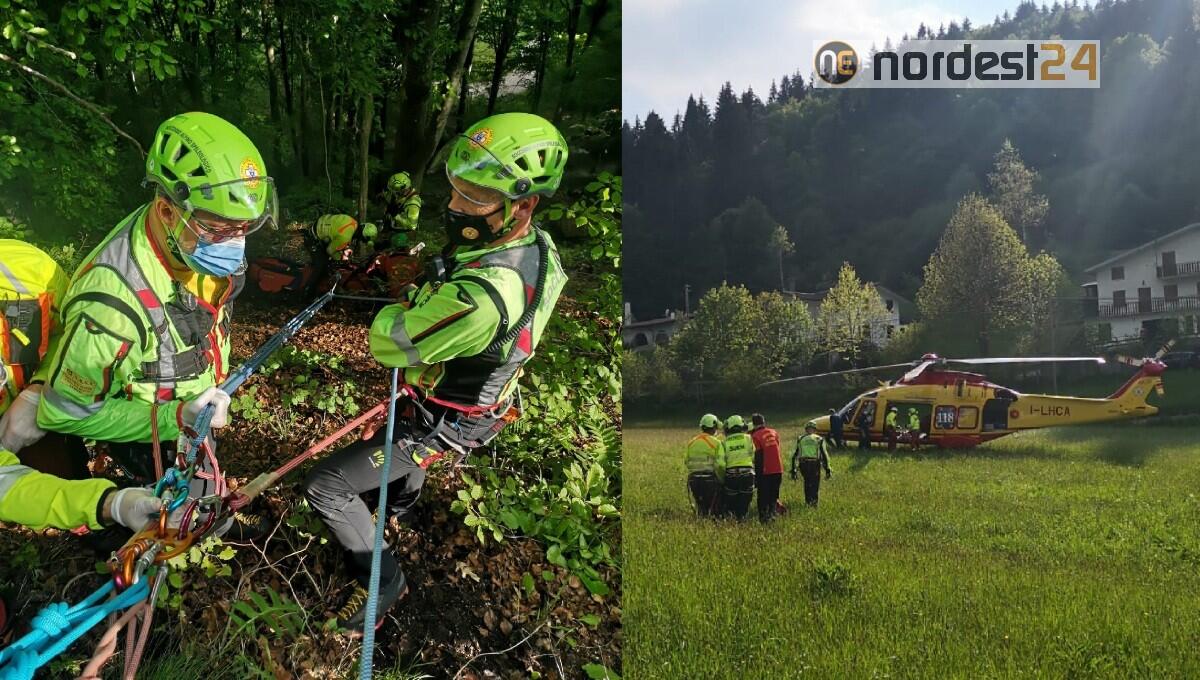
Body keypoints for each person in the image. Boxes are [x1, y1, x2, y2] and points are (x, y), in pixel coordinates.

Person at [302, 112, 569, 635]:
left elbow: (390, 341)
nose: (454, 206)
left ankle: (383, 579)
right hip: (470, 404)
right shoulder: (537, 247)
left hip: (444, 415)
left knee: (326, 486)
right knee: (393, 451)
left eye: (474, 198)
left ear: (526, 202)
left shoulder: (481, 302)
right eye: (456, 190)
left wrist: (414, 301)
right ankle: (392, 510)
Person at [36, 111, 274, 541]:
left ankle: (210, 512)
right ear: (166, 210)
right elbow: (61, 410)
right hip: (150, 427)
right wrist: (176, 417)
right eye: (221, 229)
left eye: (244, 229)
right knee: (166, 518)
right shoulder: (109, 305)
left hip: (191, 405)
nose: (236, 244)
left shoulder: (186, 242)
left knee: (202, 482)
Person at [0, 239, 164, 532]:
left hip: (40, 401)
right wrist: (108, 505)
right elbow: (5, 486)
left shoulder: (26, 268)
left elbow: (72, 331)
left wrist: (39, 387)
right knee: (38, 493)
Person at [684, 414, 723, 517]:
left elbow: (686, 461)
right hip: (710, 480)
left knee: (701, 508)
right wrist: (722, 479)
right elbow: (720, 465)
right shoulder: (716, 443)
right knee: (714, 510)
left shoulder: (691, 442)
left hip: (694, 480)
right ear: (714, 427)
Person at [718, 414, 755, 521]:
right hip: (748, 474)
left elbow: (720, 463)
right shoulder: (748, 438)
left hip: (731, 475)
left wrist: (721, 478)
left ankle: (733, 522)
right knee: (745, 502)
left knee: (732, 502)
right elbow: (754, 456)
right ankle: (743, 520)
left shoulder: (724, 442)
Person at [749, 413, 784, 523]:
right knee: (773, 496)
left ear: (754, 424)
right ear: (764, 422)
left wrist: (757, 476)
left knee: (763, 497)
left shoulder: (755, 436)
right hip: (778, 469)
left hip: (765, 470)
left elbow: (758, 456)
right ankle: (773, 516)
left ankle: (764, 519)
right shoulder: (774, 432)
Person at [791, 421, 832, 507]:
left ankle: (807, 502)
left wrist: (793, 469)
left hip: (803, 464)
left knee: (807, 482)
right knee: (815, 484)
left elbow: (794, 455)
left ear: (806, 430)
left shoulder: (800, 438)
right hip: (814, 464)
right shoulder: (819, 439)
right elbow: (824, 454)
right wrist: (828, 468)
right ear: (815, 430)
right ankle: (814, 504)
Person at [382, 171, 422, 250]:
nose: (394, 193)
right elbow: (390, 196)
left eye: (395, 191)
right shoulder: (399, 195)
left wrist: (396, 215)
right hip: (392, 232)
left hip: (404, 238)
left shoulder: (412, 203)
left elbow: (412, 226)